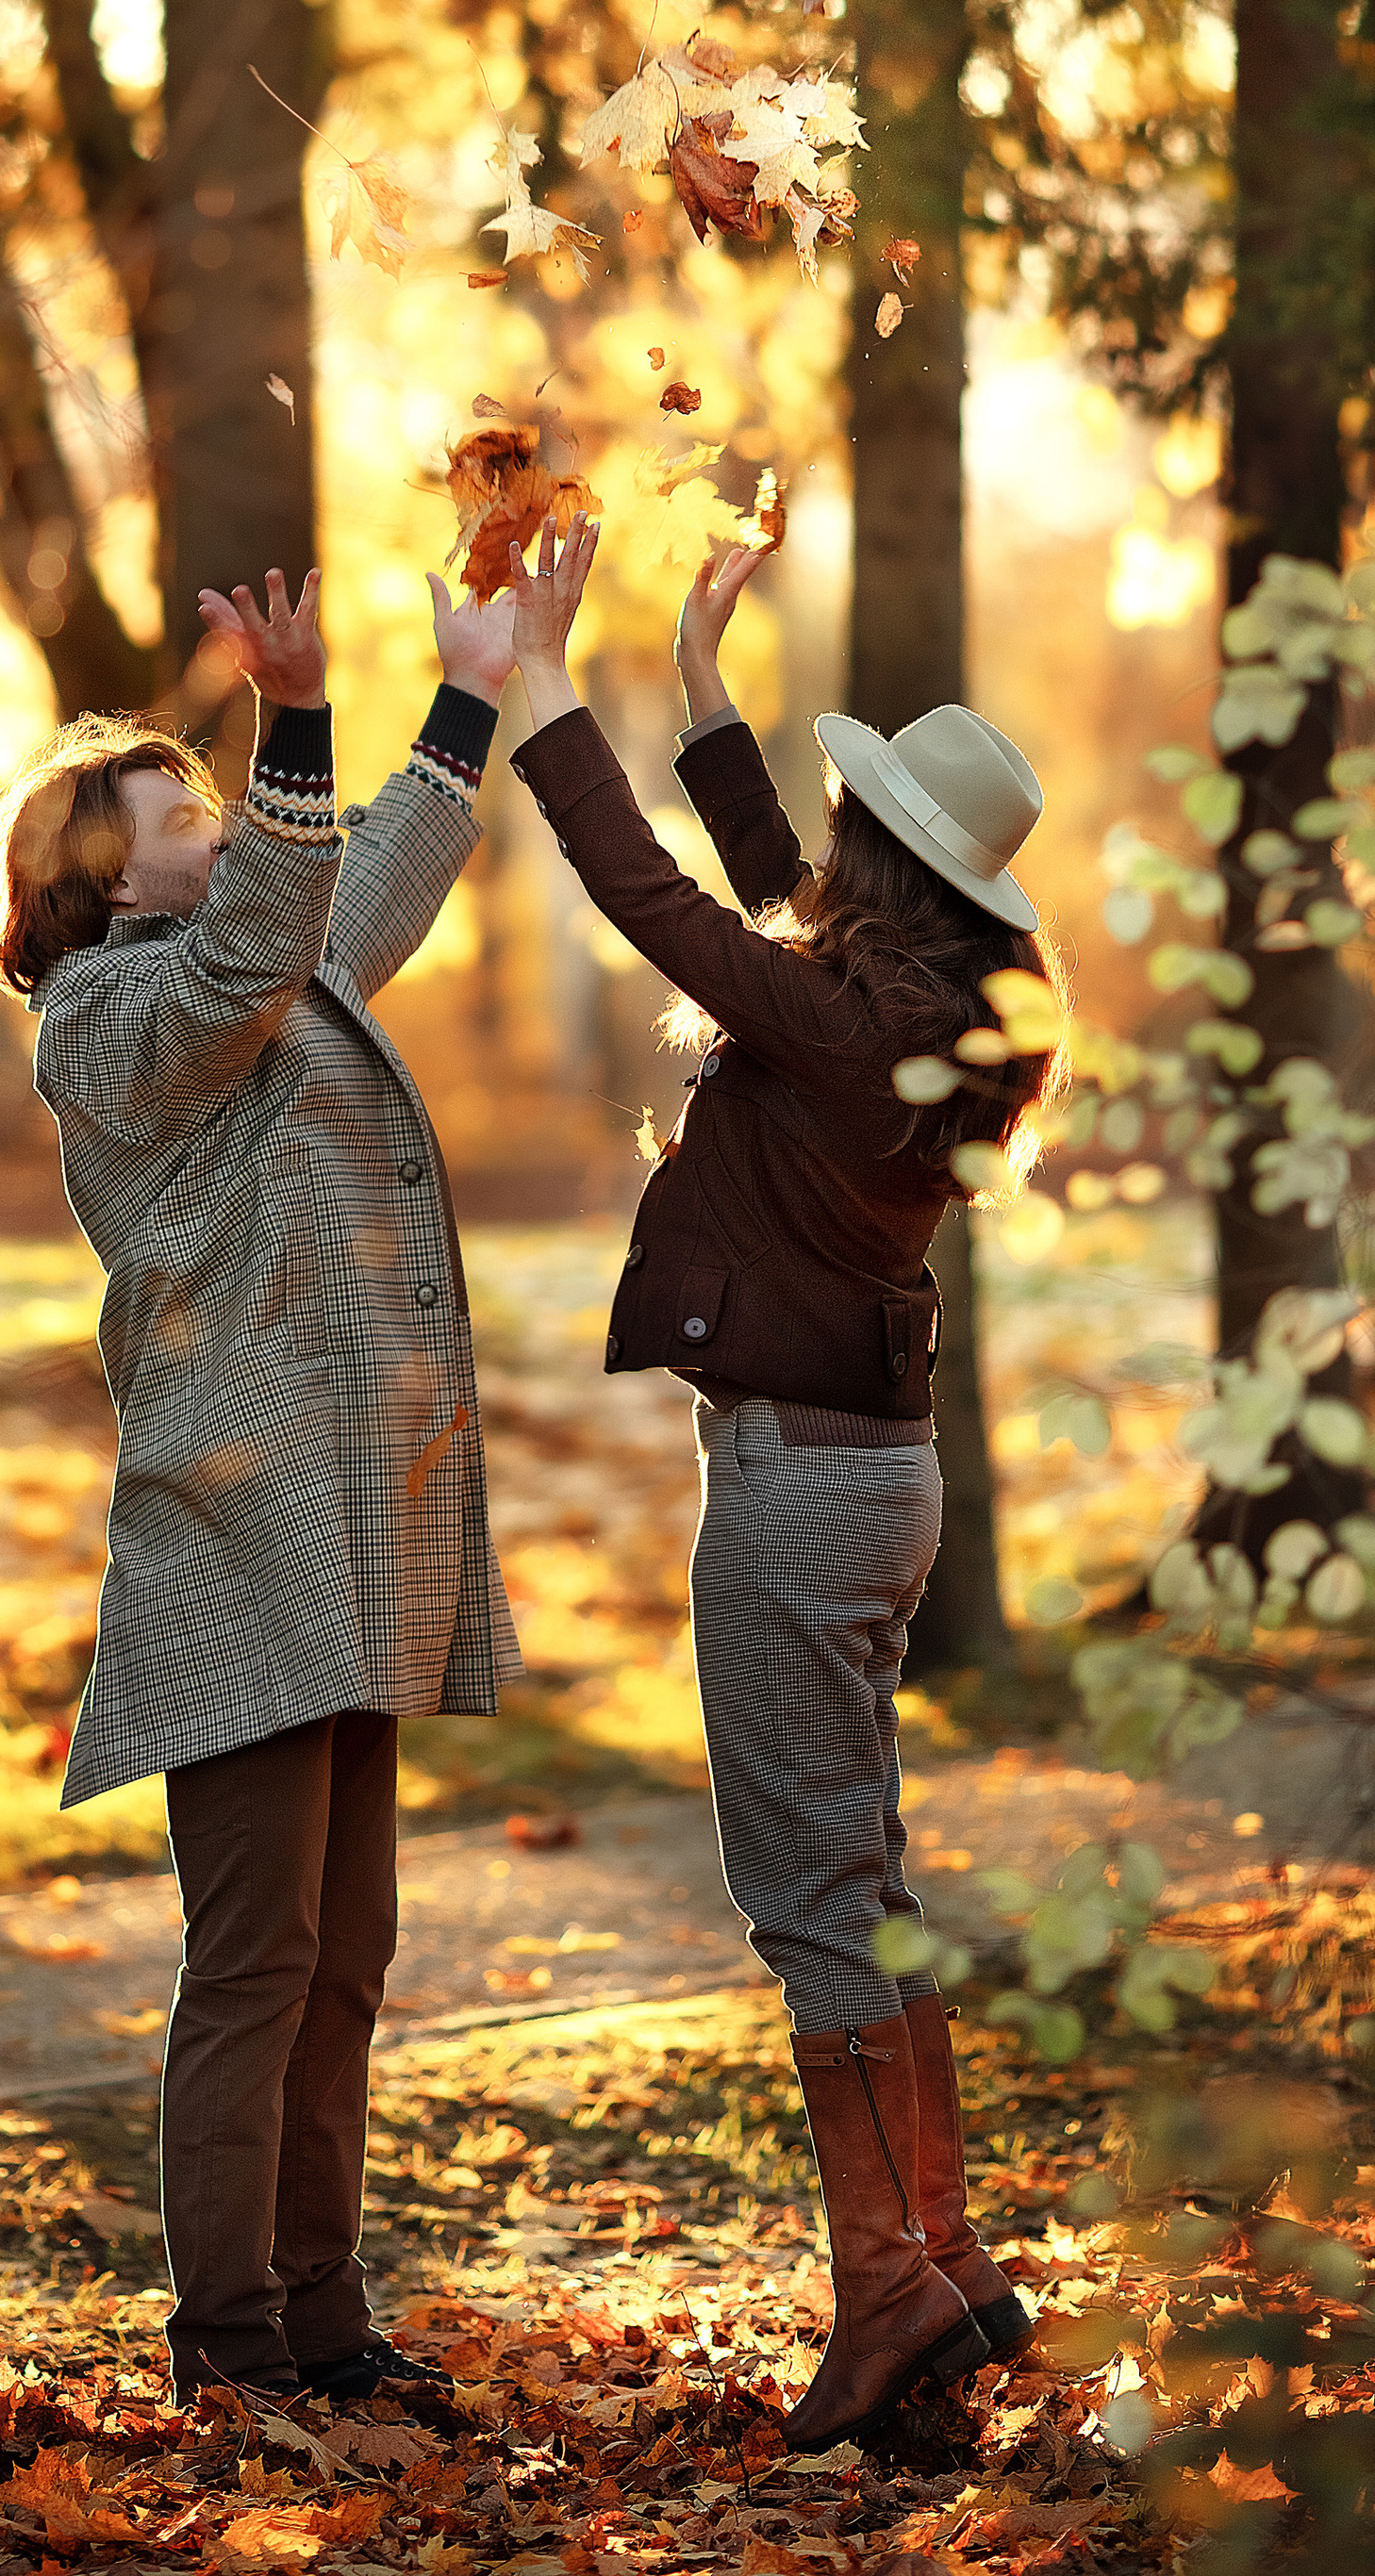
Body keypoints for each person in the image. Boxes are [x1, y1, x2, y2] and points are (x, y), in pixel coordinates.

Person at [502, 513, 1059, 2453]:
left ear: (890, 870)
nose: (826, 849)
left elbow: (680, 917)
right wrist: (700, 685)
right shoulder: (918, 1018)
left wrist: (543, 693)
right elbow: (765, 906)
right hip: (870, 1480)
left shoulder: (850, 1022)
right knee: (867, 1881)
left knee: (805, 1894)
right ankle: (950, 2246)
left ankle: (888, 2288)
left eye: (853, 828)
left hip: (794, 1491)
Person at [0, 564, 522, 2420]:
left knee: (343, 1950)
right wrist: (289, 725)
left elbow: (350, 883)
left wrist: (461, 697)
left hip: (344, 1532)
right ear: (107, 873)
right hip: (232, 1543)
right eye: (181, 810)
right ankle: (229, 2351)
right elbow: (259, 935)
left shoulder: (261, 965)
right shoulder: (109, 1024)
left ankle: (323, 2319)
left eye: (223, 802)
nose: (225, 823)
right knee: (257, 1954)